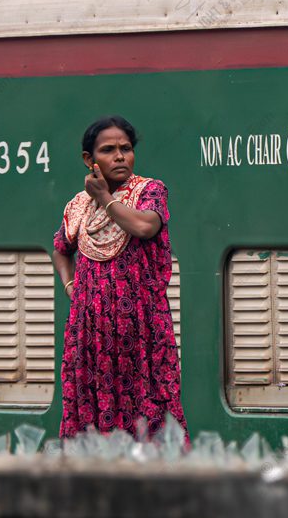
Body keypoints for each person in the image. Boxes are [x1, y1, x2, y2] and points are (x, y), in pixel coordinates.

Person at [52, 116, 188, 440]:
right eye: (108, 150)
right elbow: (60, 248)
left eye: (126, 149)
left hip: (143, 337)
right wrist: (71, 286)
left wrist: (105, 198)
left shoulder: (149, 191)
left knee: (153, 415)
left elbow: (144, 227)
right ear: (90, 160)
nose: (119, 156)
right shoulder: (79, 206)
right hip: (90, 339)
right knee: (92, 420)